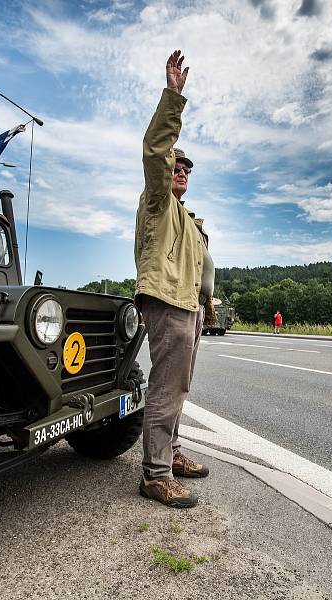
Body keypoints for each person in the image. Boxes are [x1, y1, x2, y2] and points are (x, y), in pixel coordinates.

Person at [134, 50, 216, 509]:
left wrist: (206, 305)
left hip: (189, 306)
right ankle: (156, 475)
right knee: (167, 386)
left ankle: (173, 453)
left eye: (187, 169)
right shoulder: (158, 203)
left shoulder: (186, 218)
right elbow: (156, 150)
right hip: (167, 303)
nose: (181, 171)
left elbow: (201, 271)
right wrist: (173, 97)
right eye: (177, 167)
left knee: (179, 385)